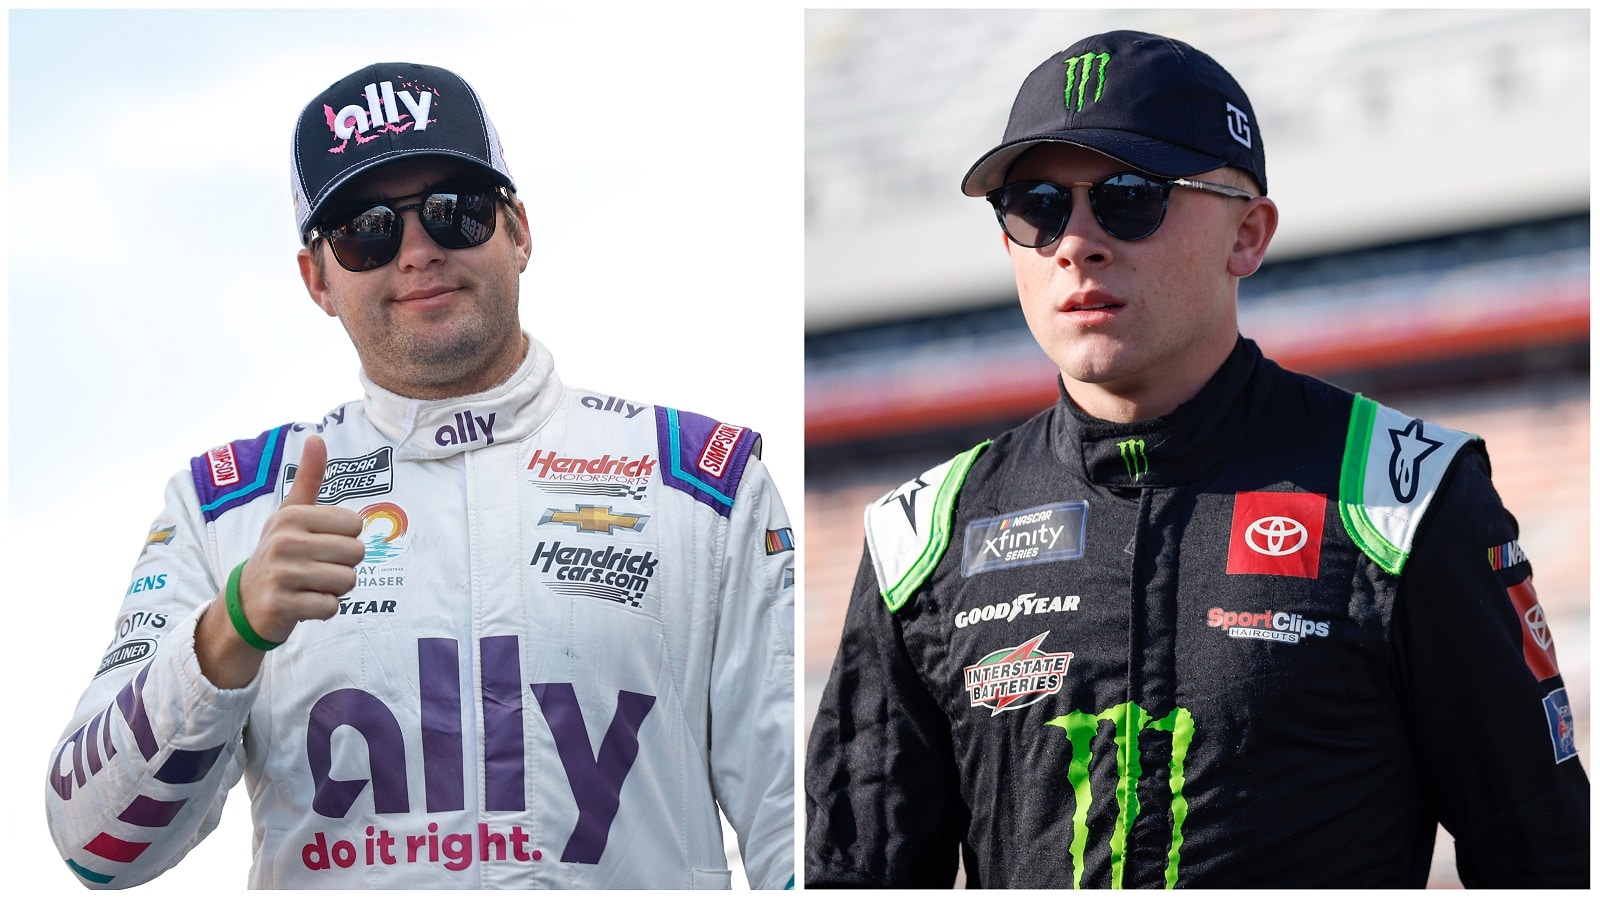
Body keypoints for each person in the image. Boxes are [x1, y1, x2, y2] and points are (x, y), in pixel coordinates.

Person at [804, 30, 1588, 888]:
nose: (1076, 242)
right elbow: (856, 873)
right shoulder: (921, 538)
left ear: (1247, 236)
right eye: (1037, 205)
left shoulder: (1404, 495)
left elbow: (1539, 854)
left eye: (1129, 196)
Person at [45, 61, 795, 890]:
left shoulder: (702, 483)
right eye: (366, 229)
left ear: (518, 230)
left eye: (456, 212)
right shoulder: (226, 503)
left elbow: (801, 825)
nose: (417, 251)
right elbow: (95, 848)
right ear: (317, 279)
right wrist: (230, 631)